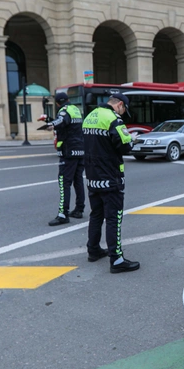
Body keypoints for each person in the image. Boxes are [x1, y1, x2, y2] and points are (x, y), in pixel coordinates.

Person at [82, 93, 140, 273]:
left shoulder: (90, 116)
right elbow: (124, 147)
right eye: (124, 111)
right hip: (110, 176)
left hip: (92, 176)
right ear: (120, 105)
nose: (123, 114)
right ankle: (116, 260)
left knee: (96, 215)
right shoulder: (113, 119)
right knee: (113, 218)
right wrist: (132, 139)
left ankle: (93, 250)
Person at [39, 92, 86, 226]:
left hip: (68, 151)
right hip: (80, 150)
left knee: (64, 182)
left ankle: (63, 214)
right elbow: (67, 123)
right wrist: (50, 120)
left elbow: (61, 121)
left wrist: (50, 125)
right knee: (78, 181)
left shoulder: (64, 110)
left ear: (58, 103)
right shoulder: (75, 109)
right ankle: (79, 209)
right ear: (67, 100)